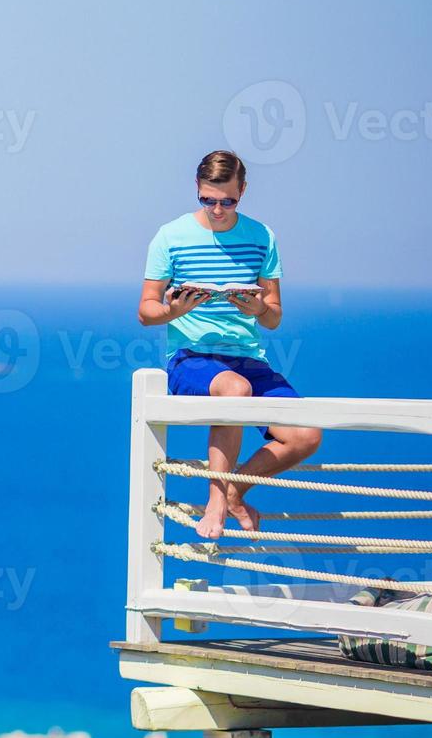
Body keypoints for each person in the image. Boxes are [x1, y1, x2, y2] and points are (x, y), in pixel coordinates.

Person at [137, 150, 321, 538]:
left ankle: (235, 491)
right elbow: (146, 311)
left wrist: (256, 307)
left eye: (228, 201)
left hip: (247, 359)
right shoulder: (170, 236)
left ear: (243, 192)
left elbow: (274, 317)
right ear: (197, 191)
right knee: (234, 390)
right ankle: (216, 502)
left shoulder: (261, 237)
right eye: (208, 200)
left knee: (307, 434)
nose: (217, 210)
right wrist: (174, 311)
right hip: (191, 358)